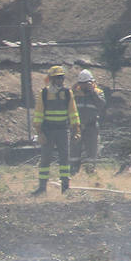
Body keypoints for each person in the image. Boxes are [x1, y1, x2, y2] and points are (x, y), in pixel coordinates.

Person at [32, 65, 80, 194]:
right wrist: (40, 133)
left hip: (62, 131)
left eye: (61, 78)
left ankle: (65, 187)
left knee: (64, 159)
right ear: (51, 79)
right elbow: (38, 114)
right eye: (57, 78)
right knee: (45, 159)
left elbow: (73, 113)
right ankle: (42, 188)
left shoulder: (67, 93)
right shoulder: (44, 93)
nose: (60, 80)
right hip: (48, 131)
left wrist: (76, 130)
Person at [71, 68, 105, 172]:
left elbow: (102, 105)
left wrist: (92, 92)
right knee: (74, 151)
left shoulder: (98, 92)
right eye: (82, 84)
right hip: (77, 127)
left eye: (86, 83)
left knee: (91, 151)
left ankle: (90, 171)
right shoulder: (75, 93)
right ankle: (73, 171)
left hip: (91, 126)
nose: (84, 86)